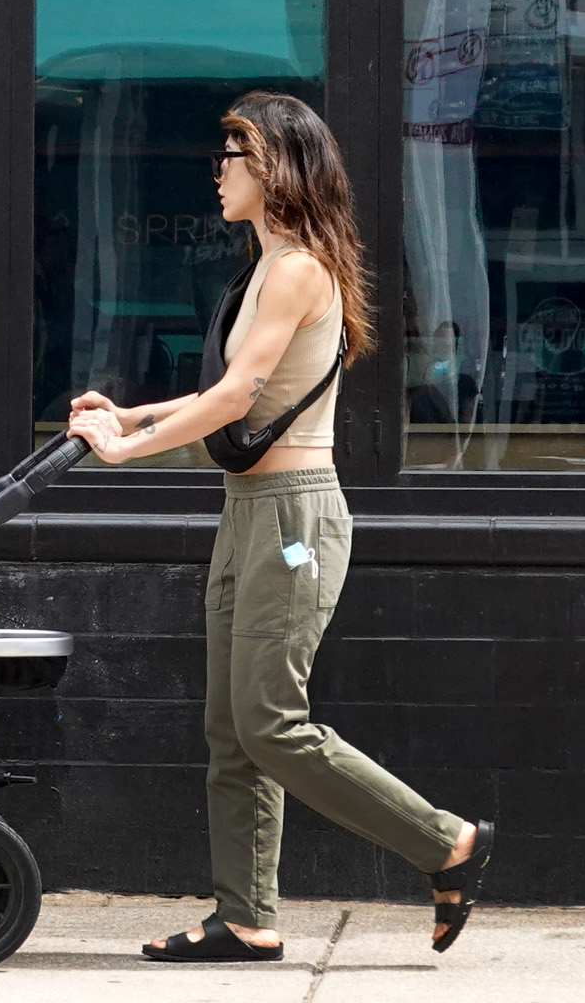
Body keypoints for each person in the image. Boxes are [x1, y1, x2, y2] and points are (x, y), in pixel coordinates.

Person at [66, 92, 495, 964]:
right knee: (233, 730)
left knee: (270, 722)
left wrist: (127, 451)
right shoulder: (265, 266)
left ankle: (446, 840)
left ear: (274, 169)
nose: (217, 169)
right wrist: (129, 410)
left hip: (295, 519)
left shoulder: (298, 268)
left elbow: (234, 399)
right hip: (249, 516)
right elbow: (224, 393)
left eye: (232, 153)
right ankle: (246, 916)